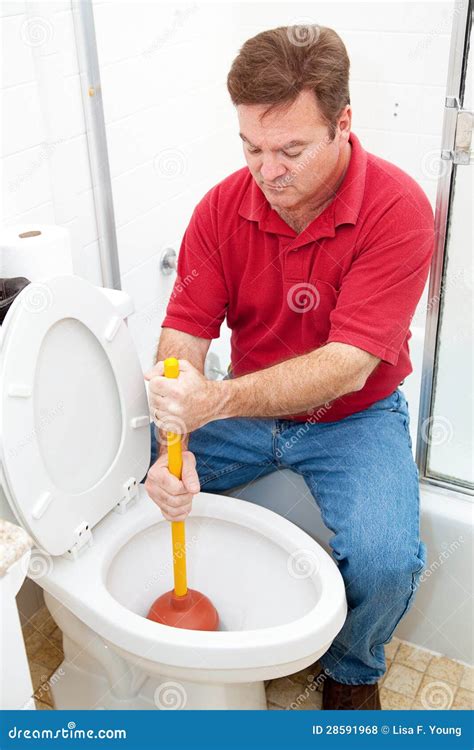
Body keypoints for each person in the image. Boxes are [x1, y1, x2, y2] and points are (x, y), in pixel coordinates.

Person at [144, 25, 434, 710]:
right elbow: (183, 330)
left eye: (291, 150)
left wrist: (210, 403)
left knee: (387, 560)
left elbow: (344, 368)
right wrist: (173, 438)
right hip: (244, 411)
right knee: (135, 493)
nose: (267, 171)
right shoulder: (221, 208)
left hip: (352, 418)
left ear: (344, 124)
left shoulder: (398, 210)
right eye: (251, 147)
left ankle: (354, 669)